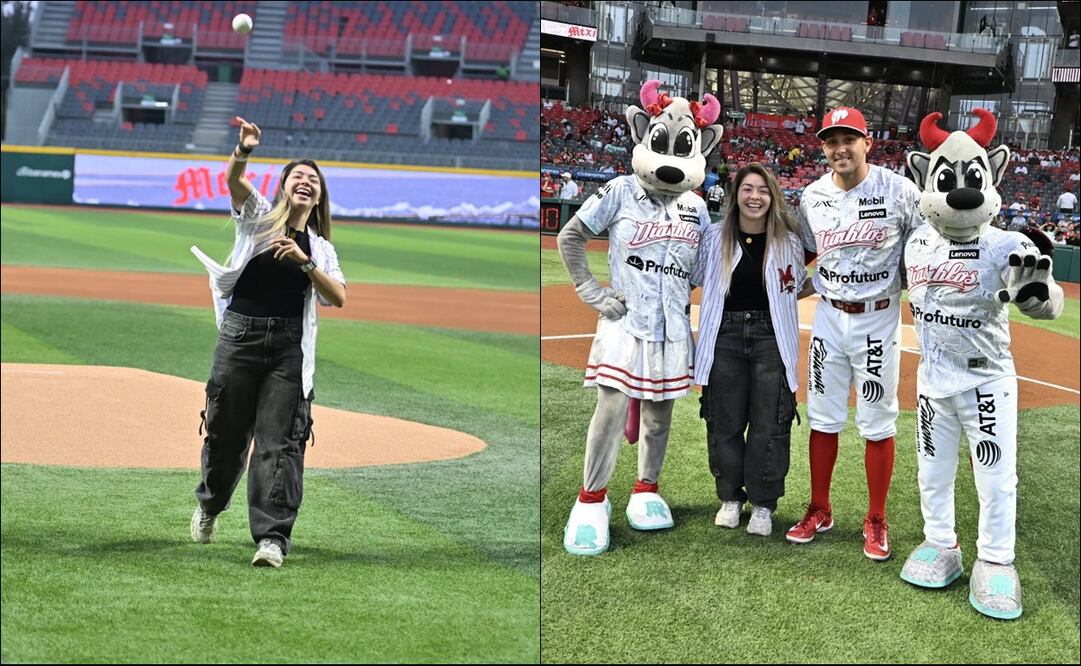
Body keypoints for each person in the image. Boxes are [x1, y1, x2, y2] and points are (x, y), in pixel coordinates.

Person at [901, 109, 1065, 619]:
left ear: (991, 173)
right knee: (933, 470)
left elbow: (1047, 294)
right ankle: (941, 543)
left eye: (972, 176)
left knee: (995, 477)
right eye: (946, 177)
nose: (960, 191)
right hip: (933, 378)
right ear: (922, 176)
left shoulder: (1006, 244)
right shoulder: (918, 241)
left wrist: (1040, 298)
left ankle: (996, 560)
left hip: (986, 378)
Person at [559, 80, 723, 555]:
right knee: (610, 411)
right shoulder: (620, 190)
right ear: (642, 132)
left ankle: (646, 489)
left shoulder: (697, 207)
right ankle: (591, 500)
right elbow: (570, 237)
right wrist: (591, 290)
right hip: (625, 322)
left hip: (673, 326)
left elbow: (701, 268)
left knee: (658, 417)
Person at [189, 116, 347, 568]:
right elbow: (234, 181)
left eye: (313, 180)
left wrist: (304, 263)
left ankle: (272, 538)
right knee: (225, 435)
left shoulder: (320, 249)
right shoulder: (258, 216)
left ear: (318, 197)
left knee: (281, 444)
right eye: (298, 176)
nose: (306, 182)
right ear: (282, 187)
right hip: (239, 334)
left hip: (289, 348)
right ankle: (210, 505)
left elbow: (338, 296)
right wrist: (245, 149)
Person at [786, 107, 924, 561]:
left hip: (879, 317)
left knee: (878, 421)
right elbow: (805, 254)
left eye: (849, 139)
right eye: (831, 141)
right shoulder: (812, 195)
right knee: (823, 416)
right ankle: (820, 508)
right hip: (828, 315)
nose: (840, 148)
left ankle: (877, 517)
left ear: (868, 143)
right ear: (823, 147)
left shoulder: (900, 190)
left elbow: (925, 250)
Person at [695, 163, 816, 536]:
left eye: (762, 190)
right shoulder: (715, 237)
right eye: (747, 189)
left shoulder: (788, 242)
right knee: (724, 420)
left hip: (771, 335)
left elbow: (796, 287)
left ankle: (763, 504)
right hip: (724, 334)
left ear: (773, 197)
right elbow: (697, 277)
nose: (755, 196)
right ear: (736, 196)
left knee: (770, 422)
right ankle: (730, 498)